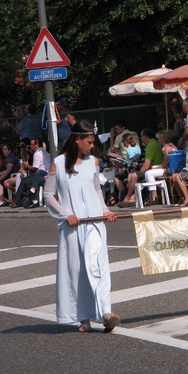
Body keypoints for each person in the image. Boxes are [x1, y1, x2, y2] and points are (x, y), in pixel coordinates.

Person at [43, 119, 120, 333]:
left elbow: (96, 190)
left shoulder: (93, 162)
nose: (91, 146)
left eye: (93, 142)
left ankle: (106, 313)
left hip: (95, 222)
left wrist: (105, 211)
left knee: (98, 265)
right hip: (73, 225)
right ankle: (83, 317)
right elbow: (48, 195)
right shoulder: (57, 163)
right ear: (77, 140)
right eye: (88, 142)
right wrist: (65, 215)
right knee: (78, 271)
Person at [117, 129, 164, 207]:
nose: (140, 138)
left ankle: (128, 197)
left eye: (141, 136)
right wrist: (139, 166)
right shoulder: (152, 144)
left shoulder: (151, 146)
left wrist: (138, 172)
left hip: (154, 169)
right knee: (131, 175)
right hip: (154, 167)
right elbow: (149, 161)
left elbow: (147, 165)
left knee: (134, 175)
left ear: (145, 137)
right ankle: (132, 198)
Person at [143, 131, 178, 206]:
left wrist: (156, 168)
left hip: (171, 169)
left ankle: (154, 196)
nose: (157, 140)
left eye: (158, 138)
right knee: (150, 170)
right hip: (169, 167)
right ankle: (151, 195)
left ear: (162, 139)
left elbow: (165, 163)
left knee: (149, 173)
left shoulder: (168, 148)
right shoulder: (167, 147)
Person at [0, 144, 19, 208]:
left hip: (13, 175)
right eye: (3, 149)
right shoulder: (6, 158)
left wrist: (0, 177)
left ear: (10, 150)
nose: (3, 151)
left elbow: (8, 170)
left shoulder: (11, 157)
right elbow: (5, 170)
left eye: (5, 149)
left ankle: (1, 200)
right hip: (9, 174)